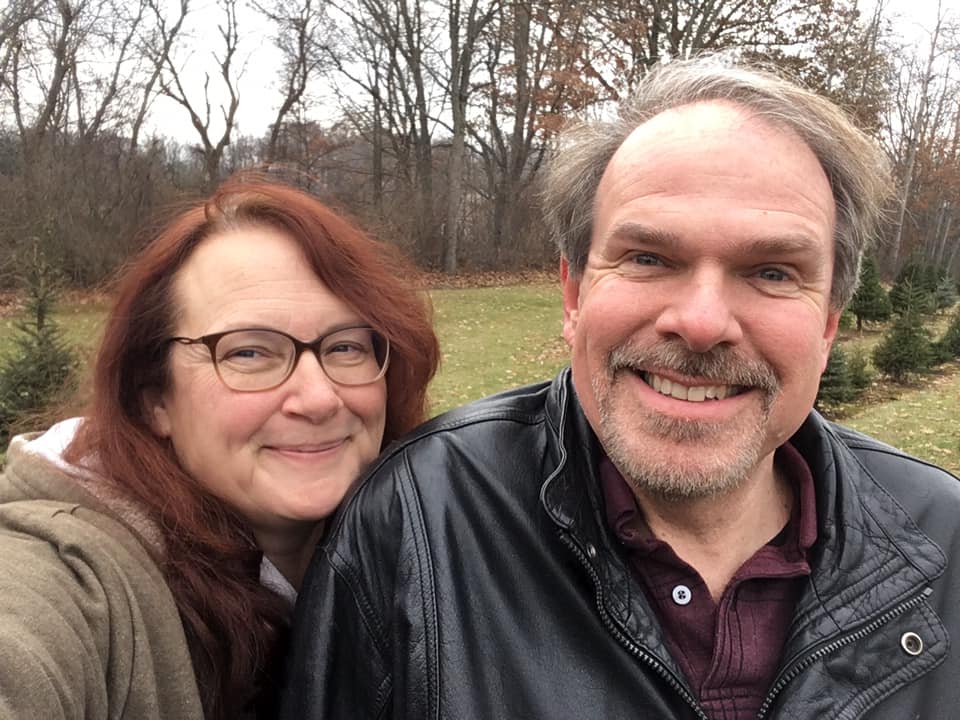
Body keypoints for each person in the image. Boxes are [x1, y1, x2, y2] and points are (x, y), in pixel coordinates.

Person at [280, 57, 960, 720]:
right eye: (648, 258)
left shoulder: (946, 541)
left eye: (773, 272)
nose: (700, 324)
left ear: (829, 324)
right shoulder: (417, 520)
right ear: (574, 293)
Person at [0, 176, 439, 720]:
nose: (319, 397)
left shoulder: (428, 540)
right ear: (155, 396)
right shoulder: (69, 580)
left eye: (346, 346)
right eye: (250, 353)